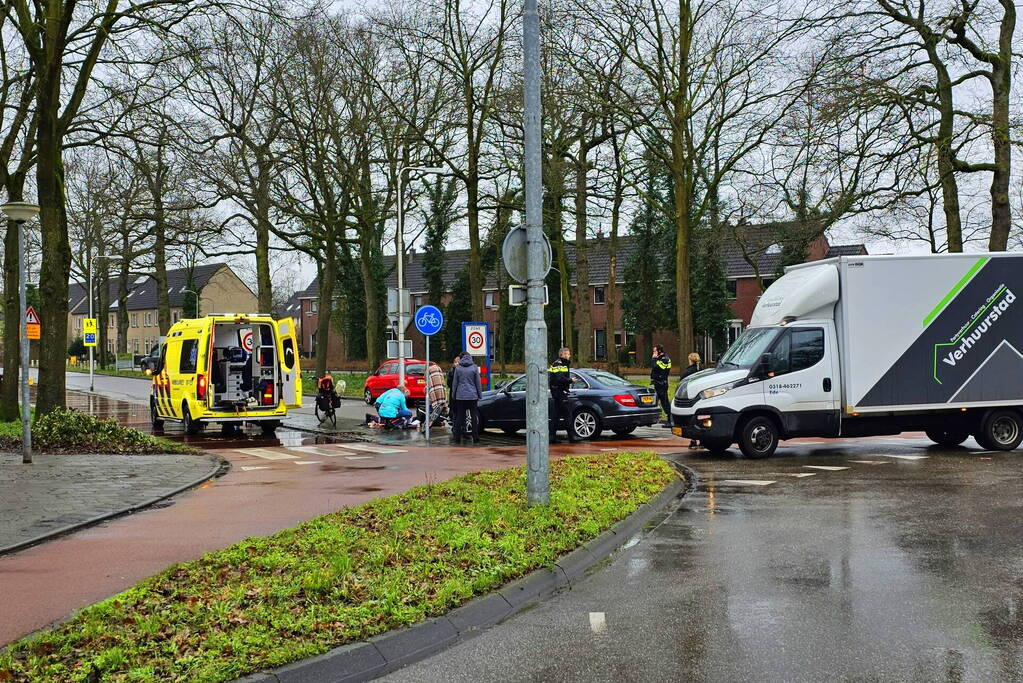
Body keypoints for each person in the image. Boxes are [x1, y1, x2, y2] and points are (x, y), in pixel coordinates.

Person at [548, 347, 580, 443]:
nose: (569, 356)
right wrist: (570, 380)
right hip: (560, 392)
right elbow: (559, 378)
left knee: (556, 415)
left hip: (558, 391)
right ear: (563, 354)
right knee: (567, 414)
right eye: (568, 354)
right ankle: (572, 436)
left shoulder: (562, 364)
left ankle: (552, 437)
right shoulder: (558, 364)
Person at [451, 352, 483, 444]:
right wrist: (479, 395)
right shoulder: (474, 367)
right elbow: (478, 383)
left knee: (460, 416)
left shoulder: (458, 368)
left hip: (460, 396)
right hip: (472, 396)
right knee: (473, 416)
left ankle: (457, 438)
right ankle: (475, 437)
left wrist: (454, 395)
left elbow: (455, 383)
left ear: (461, 358)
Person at [680, 353, 702, 448]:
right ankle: (703, 440)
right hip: (701, 398)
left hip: (691, 398)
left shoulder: (687, 372)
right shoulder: (701, 371)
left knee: (692, 419)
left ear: (690, 360)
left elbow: (682, 383)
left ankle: (693, 440)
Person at [650, 345, 672, 426]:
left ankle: (670, 419)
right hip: (657, 382)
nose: (653, 353)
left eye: (655, 351)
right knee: (654, 401)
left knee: (664, 402)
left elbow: (657, 367)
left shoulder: (665, 359)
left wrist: (654, 359)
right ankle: (651, 419)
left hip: (661, 384)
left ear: (659, 351)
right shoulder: (660, 358)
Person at [422, 361, 449, 429]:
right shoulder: (439, 368)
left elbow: (427, 382)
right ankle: (438, 421)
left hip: (433, 391)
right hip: (441, 389)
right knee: (440, 406)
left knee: (431, 406)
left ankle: (430, 422)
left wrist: (425, 390)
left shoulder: (428, 370)